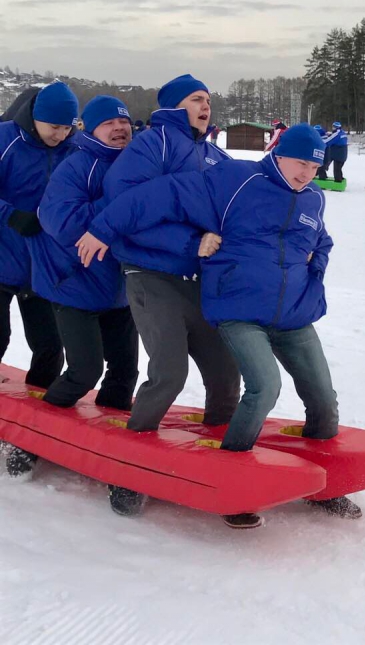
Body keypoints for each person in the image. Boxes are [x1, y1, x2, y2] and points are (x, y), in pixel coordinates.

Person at [77, 124, 361, 527]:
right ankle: (231, 479)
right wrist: (102, 228)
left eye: (314, 166)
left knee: (323, 398)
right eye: (300, 163)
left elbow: (321, 243)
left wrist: (314, 277)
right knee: (263, 386)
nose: (306, 173)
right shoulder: (235, 181)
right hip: (239, 309)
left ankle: (324, 487)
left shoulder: (313, 197)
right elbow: (159, 196)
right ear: (280, 155)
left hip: (294, 315)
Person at [96, 73, 241, 517]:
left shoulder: (210, 152)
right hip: (150, 276)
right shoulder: (152, 144)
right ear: (177, 106)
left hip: (195, 281)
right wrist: (186, 244)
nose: (206, 106)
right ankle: (130, 466)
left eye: (209, 100)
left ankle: (224, 463)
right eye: (197, 99)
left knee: (224, 370)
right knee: (169, 372)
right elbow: (125, 210)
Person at [5, 97, 140, 479]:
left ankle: (109, 447)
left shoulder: (138, 166)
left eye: (123, 121)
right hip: (73, 284)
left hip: (119, 290)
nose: (119, 128)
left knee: (125, 372)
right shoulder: (74, 166)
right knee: (83, 370)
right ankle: (29, 439)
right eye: (109, 122)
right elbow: (61, 222)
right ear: (92, 128)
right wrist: (120, 207)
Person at [0, 82, 78, 390]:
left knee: (50, 347)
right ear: (36, 118)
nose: (60, 135)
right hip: (3, 253)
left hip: (41, 265)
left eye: (67, 128)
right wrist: (11, 215)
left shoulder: (73, 147)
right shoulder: (6, 139)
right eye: (54, 127)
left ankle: (36, 415)